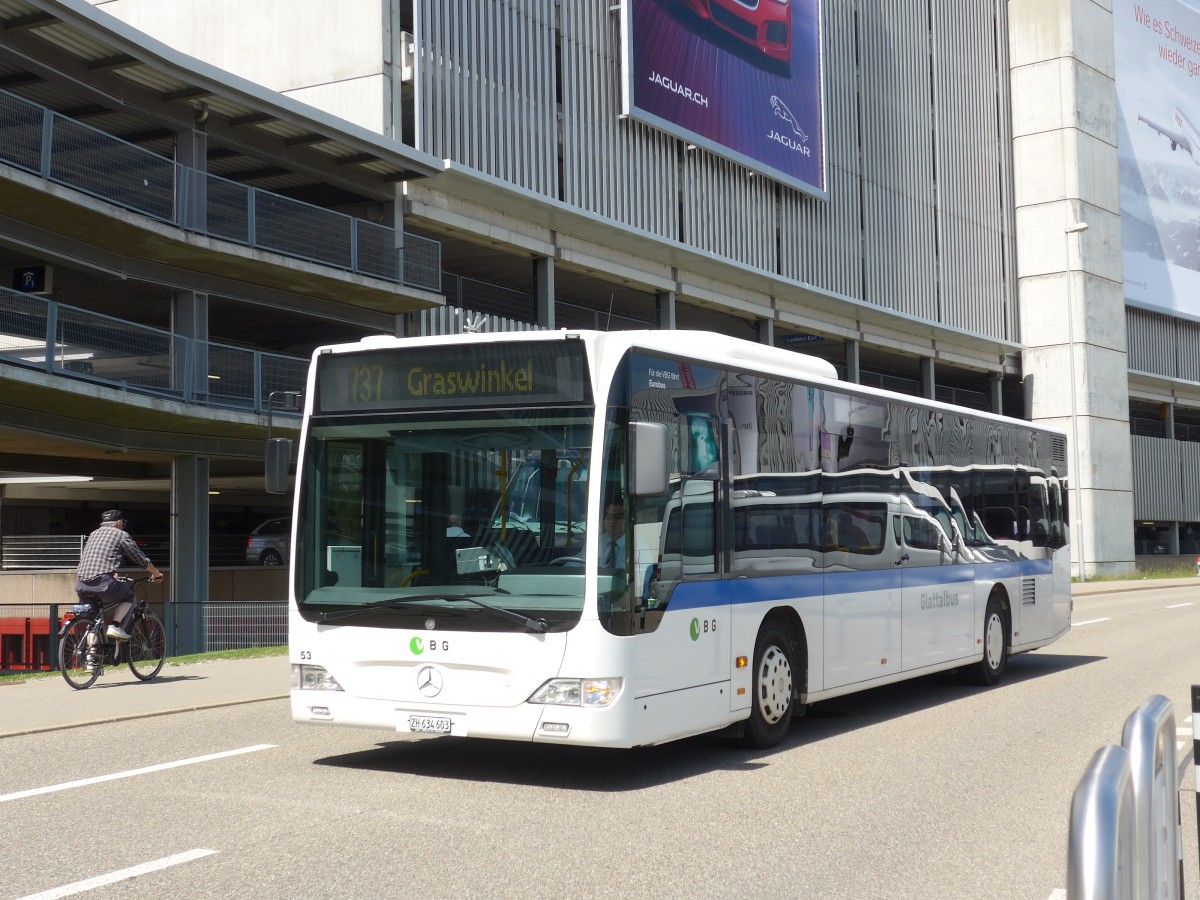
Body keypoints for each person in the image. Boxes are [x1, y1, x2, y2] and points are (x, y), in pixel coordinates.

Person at [76, 509, 163, 641]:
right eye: (122, 522)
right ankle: (115, 625)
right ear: (118, 522)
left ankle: (90, 658)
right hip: (103, 582)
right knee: (128, 596)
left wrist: (111, 573)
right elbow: (138, 557)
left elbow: (98, 556)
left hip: (81, 584)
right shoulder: (120, 534)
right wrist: (155, 573)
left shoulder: (94, 534)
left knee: (92, 623)